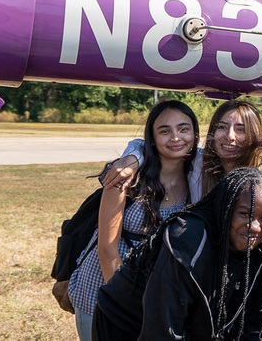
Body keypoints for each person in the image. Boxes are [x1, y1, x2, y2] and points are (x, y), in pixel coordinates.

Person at [92, 167, 262, 341]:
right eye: (244, 214)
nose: (254, 227)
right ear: (225, 210)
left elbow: (260, 328)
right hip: (126, 322)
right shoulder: (188, 240)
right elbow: (162, 331)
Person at [68, 99, 198, 341]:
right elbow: (107, 248)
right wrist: (123, 302)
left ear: (194, 133)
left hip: (152, 301)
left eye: (183, 129)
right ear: (152, 138)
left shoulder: (197, 179)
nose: (176, 137)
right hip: (104, 291)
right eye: (164, 131)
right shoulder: (125, 178)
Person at [105, 99, 262, 200]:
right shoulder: (199, 164)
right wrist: (132, 159)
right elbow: (146, 143)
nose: (230, 136)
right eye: (222, 127)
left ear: (254, 135)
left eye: (241, 129)